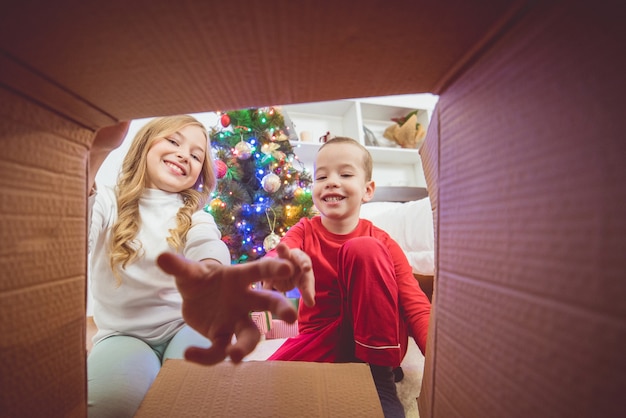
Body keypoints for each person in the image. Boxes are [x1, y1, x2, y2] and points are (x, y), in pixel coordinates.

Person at [86, 116, 313, 418]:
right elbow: (73, 234)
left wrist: (211, 271)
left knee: (199, 399)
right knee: (109, 406)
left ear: (198, 175)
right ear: (144, 145)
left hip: (189, 327)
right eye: (173, 141)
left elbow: (208, 244)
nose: (184, 155)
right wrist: (98, 151)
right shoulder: (108, 200)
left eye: (196, 155)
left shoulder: (195, 215)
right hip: (122, 335)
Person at [263, 137, 432, 418]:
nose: (331, 181)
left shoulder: (382, 240)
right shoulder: (304, 230)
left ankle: (381, 377)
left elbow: (413, 302)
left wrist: (441, 360)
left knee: (364, 249)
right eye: (322, 176)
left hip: (380, 340)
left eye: (345, 174)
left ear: (367, 190)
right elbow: (283, 252)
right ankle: (344, 366)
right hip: (324, 336)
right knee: (266, 383)